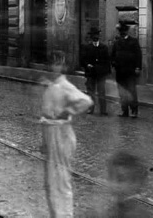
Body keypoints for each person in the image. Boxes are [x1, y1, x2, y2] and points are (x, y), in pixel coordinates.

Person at [41, 50, 93, 217]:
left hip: (62, 134)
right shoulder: (50, 86)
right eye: (52, 63)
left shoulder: (65, 86)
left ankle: (65, 215)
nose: (54, 67)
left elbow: (86, 101)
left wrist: (68, 110)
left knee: (62, 180)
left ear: (63, 66)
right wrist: (44, 141)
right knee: (51, 181)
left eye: (58, 64)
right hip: (51, 133)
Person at [111, 21, 142, 118]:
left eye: (123, 31)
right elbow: (112, 55)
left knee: (132, 91)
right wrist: (113, 63)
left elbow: (138, 56)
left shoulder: (133, 41)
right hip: (120, 71)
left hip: (130, 71)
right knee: (122, 92)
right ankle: (124, 111)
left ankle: (134, 110)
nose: (122, 33)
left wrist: (137, 67)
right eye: (120, 31)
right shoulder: (116, 43)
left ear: (126, 31)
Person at [81, 26, 110, 116]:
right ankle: (91, 109)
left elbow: (107, 61)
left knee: (102, 92)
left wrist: (105, 71)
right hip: (91, 73)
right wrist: (87, 65)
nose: (95, 37)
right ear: (91, 37)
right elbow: (83, 59)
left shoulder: (104, 47)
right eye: (93, 35)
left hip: (101, 74)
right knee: (91, 92)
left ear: (99, 36)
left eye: (97, 35)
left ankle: (103, 110)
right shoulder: (87, 47)